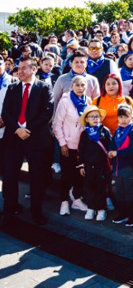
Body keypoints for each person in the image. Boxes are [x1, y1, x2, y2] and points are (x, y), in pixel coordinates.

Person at [1, 56, 55, 226]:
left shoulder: (44, 88)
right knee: (9, 177)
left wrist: (27, 130)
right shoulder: (12, 88)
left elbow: (47, 112)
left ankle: (36, 211)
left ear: (34, 69)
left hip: (36, 140)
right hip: (13, 139)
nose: (20, 71)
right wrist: (17, 129)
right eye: (19, 68)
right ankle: (9, 210)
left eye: (24, 68)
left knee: (37, 178)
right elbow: (6, 112)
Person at [53, 75, 90, 215]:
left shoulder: (88, 101)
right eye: (77, 85)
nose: (80, 88)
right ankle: (64, 201)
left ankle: (77, 199)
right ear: (72, 86)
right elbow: (57, 124)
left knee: (79, 175)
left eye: (83, 85)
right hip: (68, 146)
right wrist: (62, 144)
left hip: (83, 147)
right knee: (67, 175)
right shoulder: (65, 101)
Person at [108, 103, 133, 226]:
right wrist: (111, 152)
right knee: (119, 192)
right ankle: (123, 213)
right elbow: (112, 144)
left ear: (132, 117)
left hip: (130, 167)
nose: (123, 120)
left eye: (126, 117)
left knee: (130, 193)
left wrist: (117, 153)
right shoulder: (118, 130)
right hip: (118, 167)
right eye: (121, 117)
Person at [77, 105, 112, 222]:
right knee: (89, 187)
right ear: (86, 119)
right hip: (88, 165)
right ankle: (91, 207)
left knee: (101, 187)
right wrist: (81, 164)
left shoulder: (105, 131)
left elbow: (110, 146)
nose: (95, 119)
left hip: (101, 165)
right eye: (92, 116)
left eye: (97, 116)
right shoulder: (84, 134)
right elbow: (81, 150)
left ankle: (102, 209)